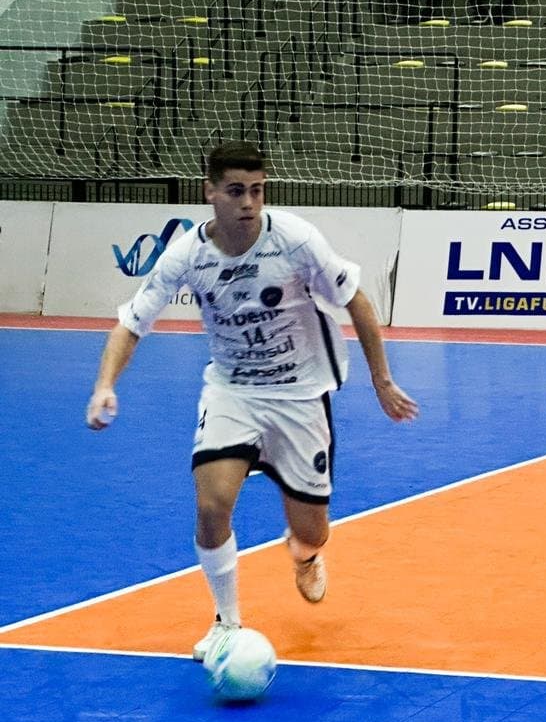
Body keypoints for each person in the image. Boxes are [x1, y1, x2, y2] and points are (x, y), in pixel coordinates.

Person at [84, 142, 418, 660]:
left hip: (300, 396)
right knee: (212, 503)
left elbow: (356, 299)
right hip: (232, 392)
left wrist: (382, 382)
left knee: (313, 531)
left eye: (257, 191)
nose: (249, 203)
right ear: (210, 192)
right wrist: (105, 385)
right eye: (236, 191)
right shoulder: (187, 255)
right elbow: (131, 324)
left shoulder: (295, 239)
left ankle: (303, 553)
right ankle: (226, 623)